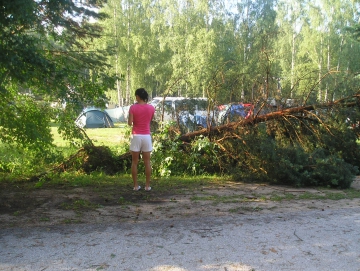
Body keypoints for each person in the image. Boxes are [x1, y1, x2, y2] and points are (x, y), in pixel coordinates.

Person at [128, 88, 155, 191]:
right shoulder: (151, 108)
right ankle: (147, 186)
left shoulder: (133, 108)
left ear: (138, 96)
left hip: (136, 136)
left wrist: (132, 119)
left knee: (135, 162)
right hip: (146, 136)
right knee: (147, 162)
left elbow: (130, 123)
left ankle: (135, 186)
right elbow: (150, 120)